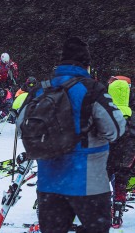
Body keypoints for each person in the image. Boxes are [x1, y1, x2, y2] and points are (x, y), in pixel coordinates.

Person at [16, 37, 126, 233]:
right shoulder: (91, 89)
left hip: (48, 183)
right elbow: (115, 129)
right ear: (87, 64)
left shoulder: (41, 89)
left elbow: (21, 125)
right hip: (88, 182)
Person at [106, 76, 135, 228]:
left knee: (103, 181)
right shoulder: (132, 115)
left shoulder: (106, 115)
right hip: (126, 156)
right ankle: (117, 212)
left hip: (108, 155)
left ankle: (101, 209)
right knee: (121, 182)